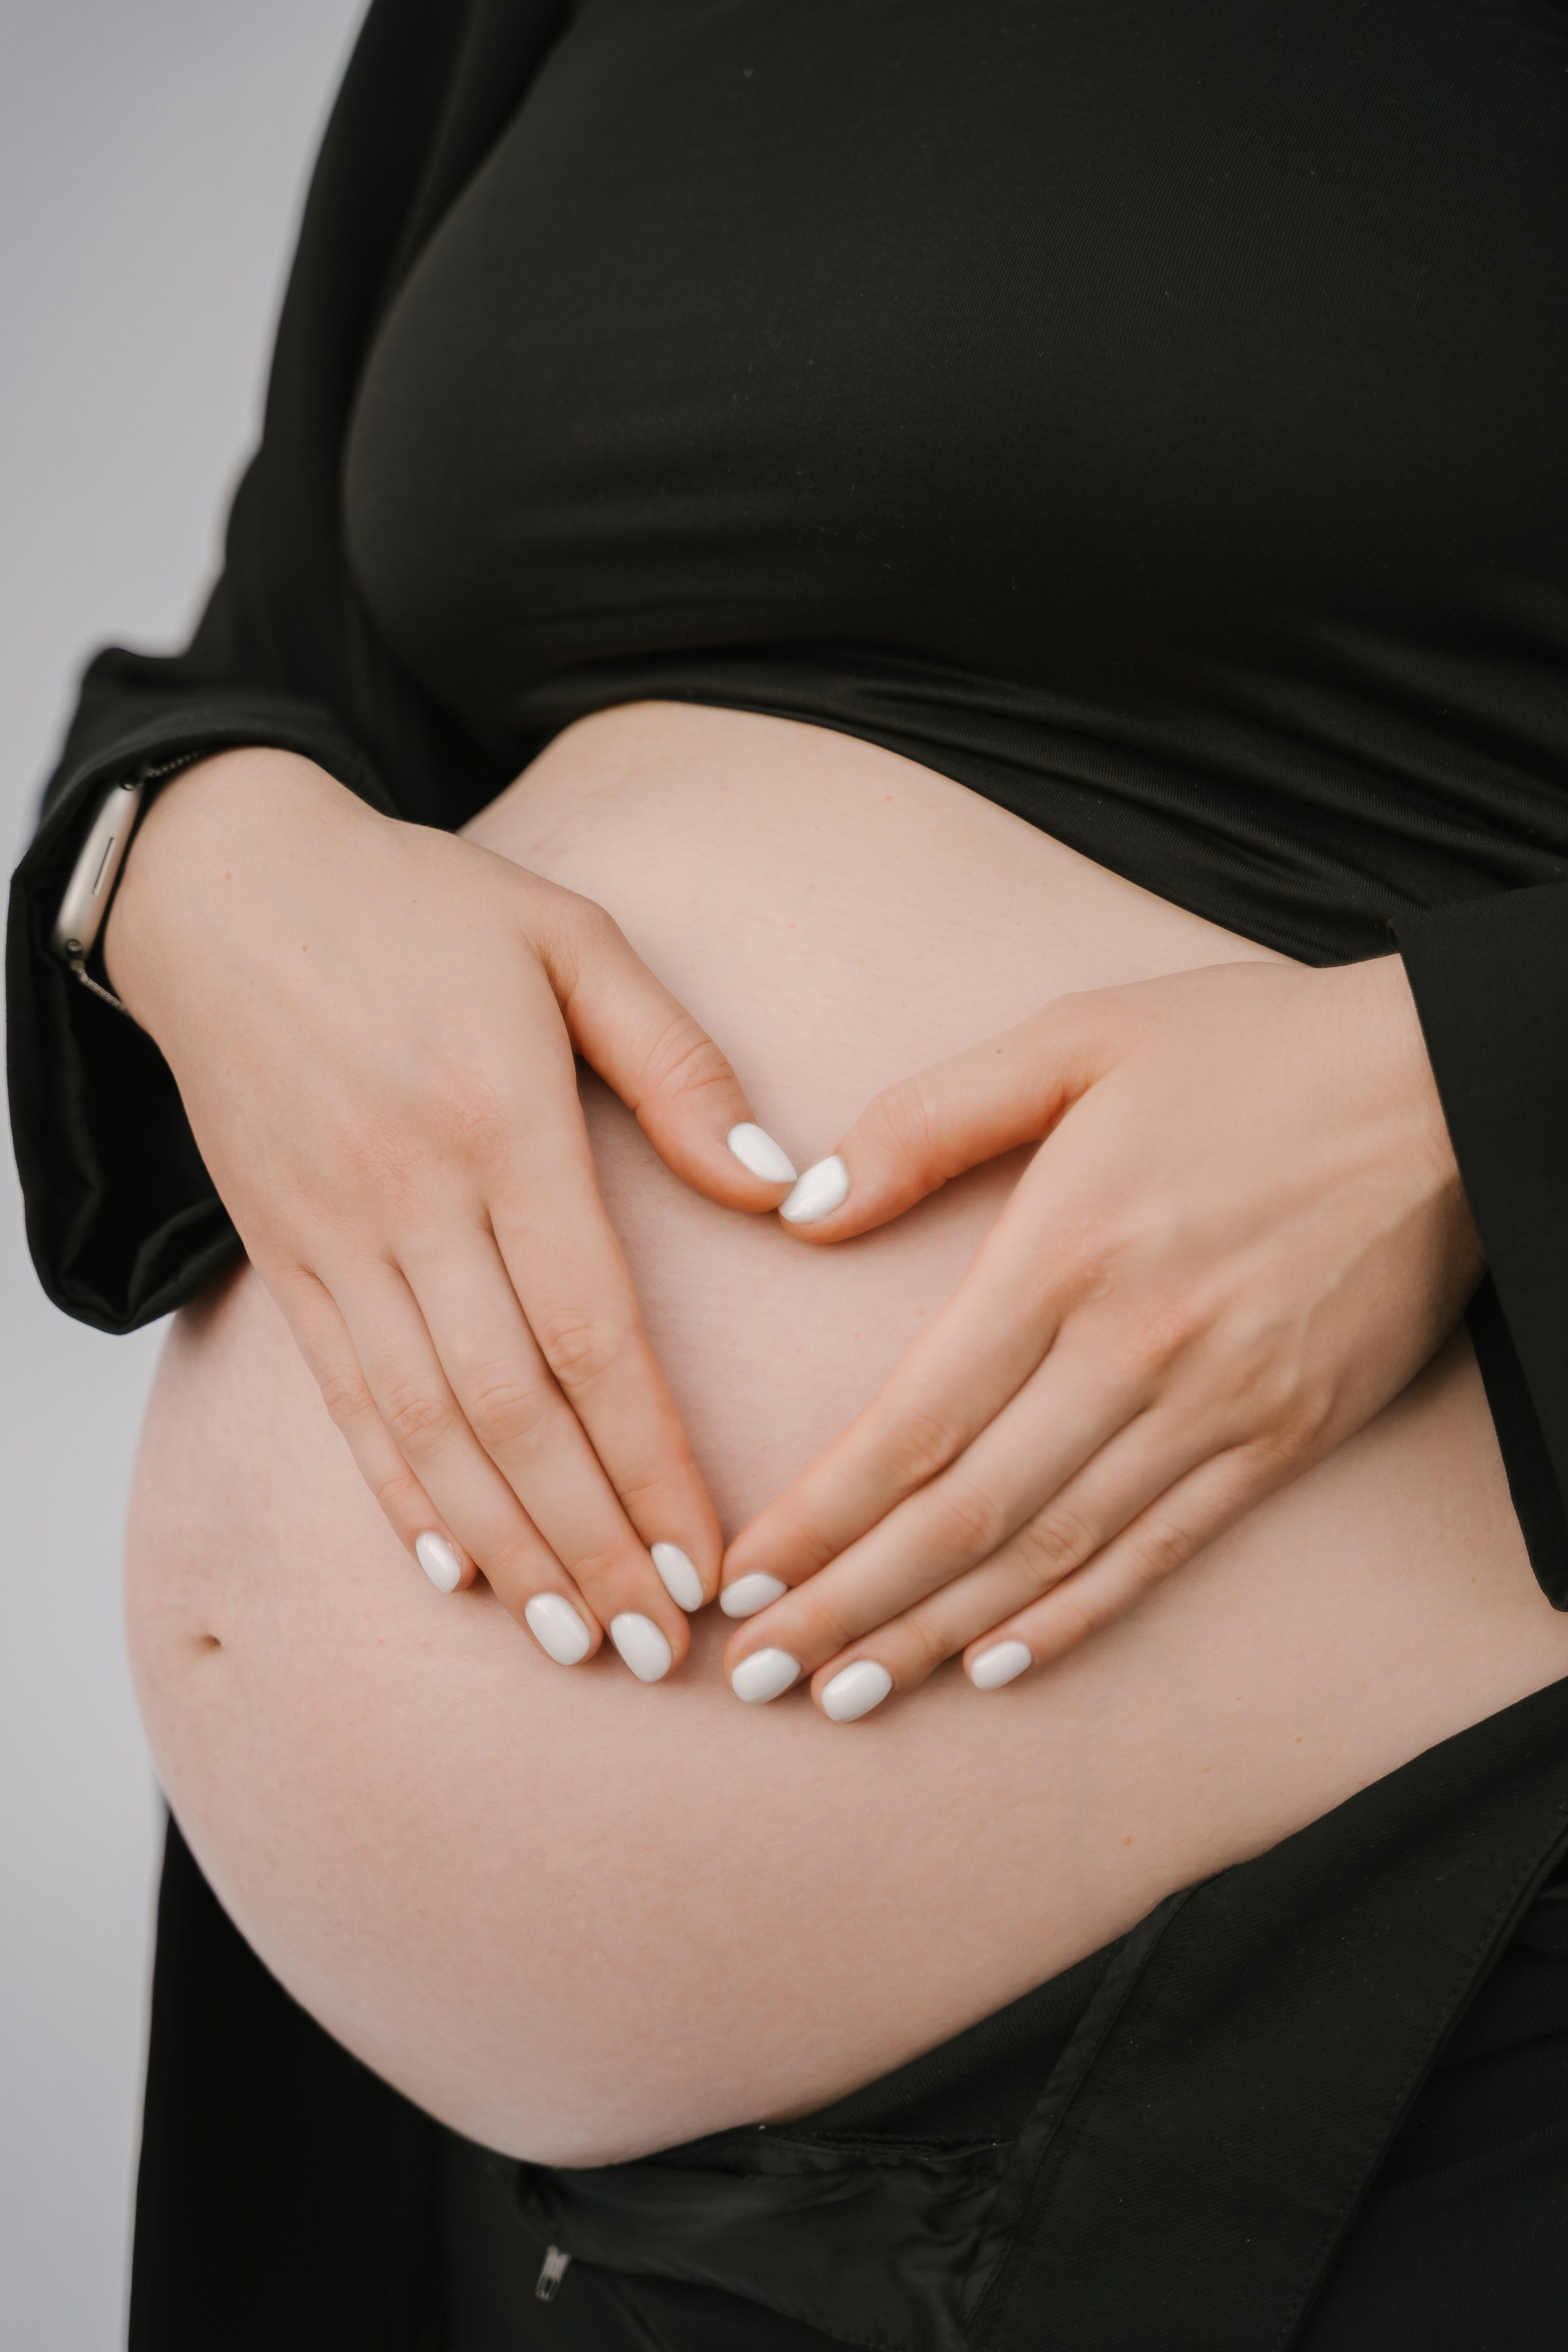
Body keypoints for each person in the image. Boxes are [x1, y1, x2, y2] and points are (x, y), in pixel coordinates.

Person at [11, 2, 1568, 2345]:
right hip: (466, 2187)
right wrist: (194, 868)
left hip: (1398, 2026)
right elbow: (259, 672)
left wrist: (1469, 1090)